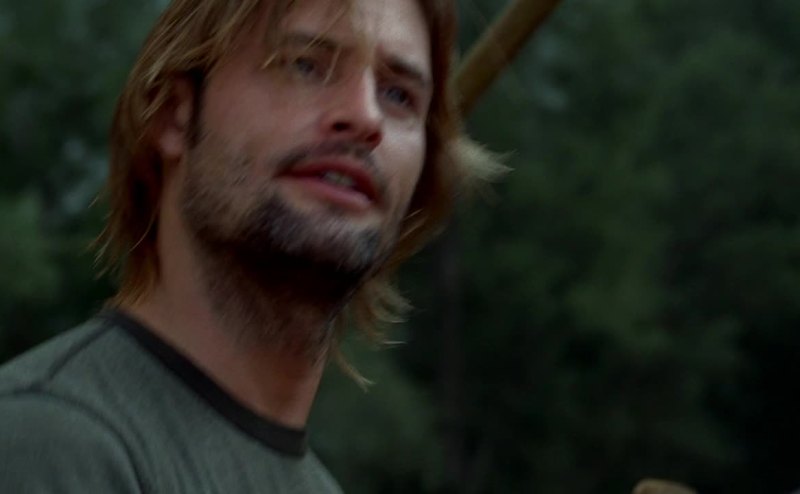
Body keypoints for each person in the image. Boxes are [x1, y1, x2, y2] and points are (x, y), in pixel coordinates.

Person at [0, 0, 497, 492]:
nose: (366, 116)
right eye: (305, 65)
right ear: (174, 114)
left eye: (398, 95)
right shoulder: (49, 442)